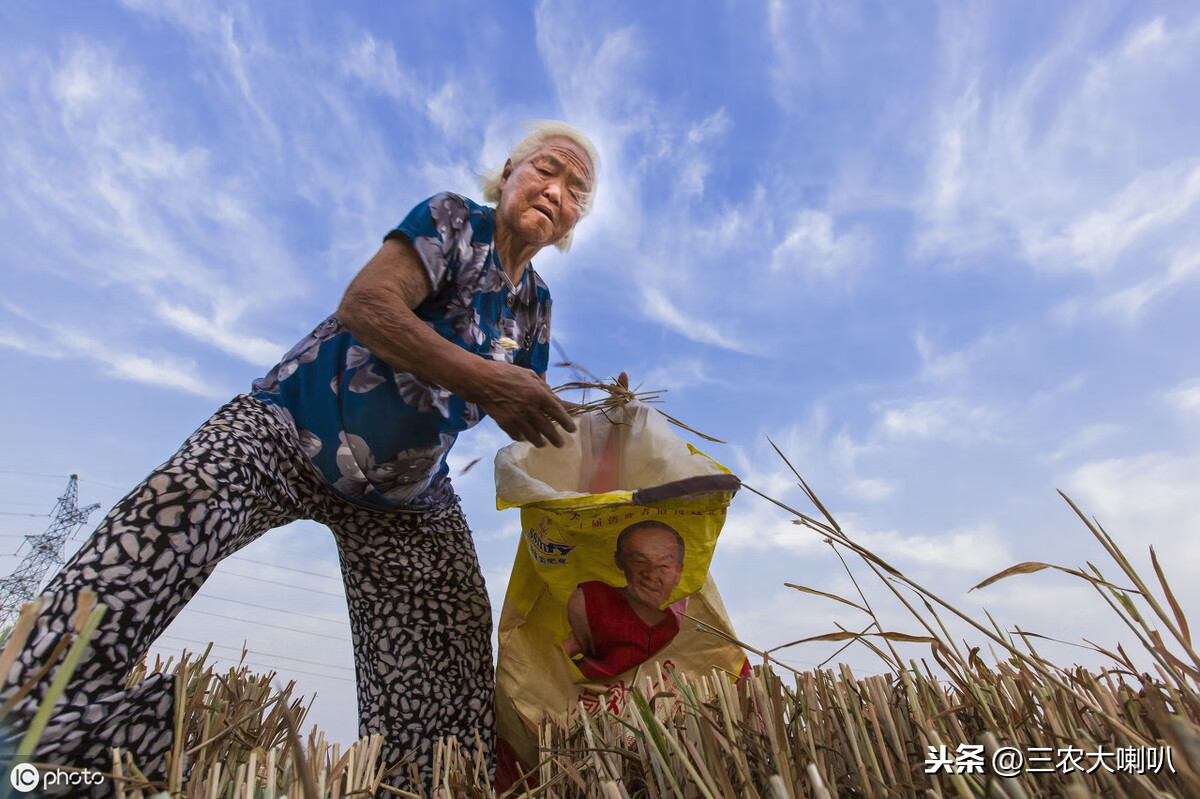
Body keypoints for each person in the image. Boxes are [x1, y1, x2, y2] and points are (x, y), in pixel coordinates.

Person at [0, 120, 598, 794]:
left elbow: (516, 407)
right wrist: (485, 379)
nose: (556, 190)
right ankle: (33, 729)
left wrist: (594, 421)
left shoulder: (535, 307)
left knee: (452, 635)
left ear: (577, 218)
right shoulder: (454, 219)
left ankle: (423, 784)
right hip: (289, 427)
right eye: (547, 168)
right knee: (175, 506)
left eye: (576, 189)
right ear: (512, 168)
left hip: (406, 501)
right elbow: (367, 306)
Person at [562, 520, 687, 680]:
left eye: (664, 566)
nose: (650, 574)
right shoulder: (591, 600)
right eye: (639, 562)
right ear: (619, 561)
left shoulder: (686, 620)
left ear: (678, 571)